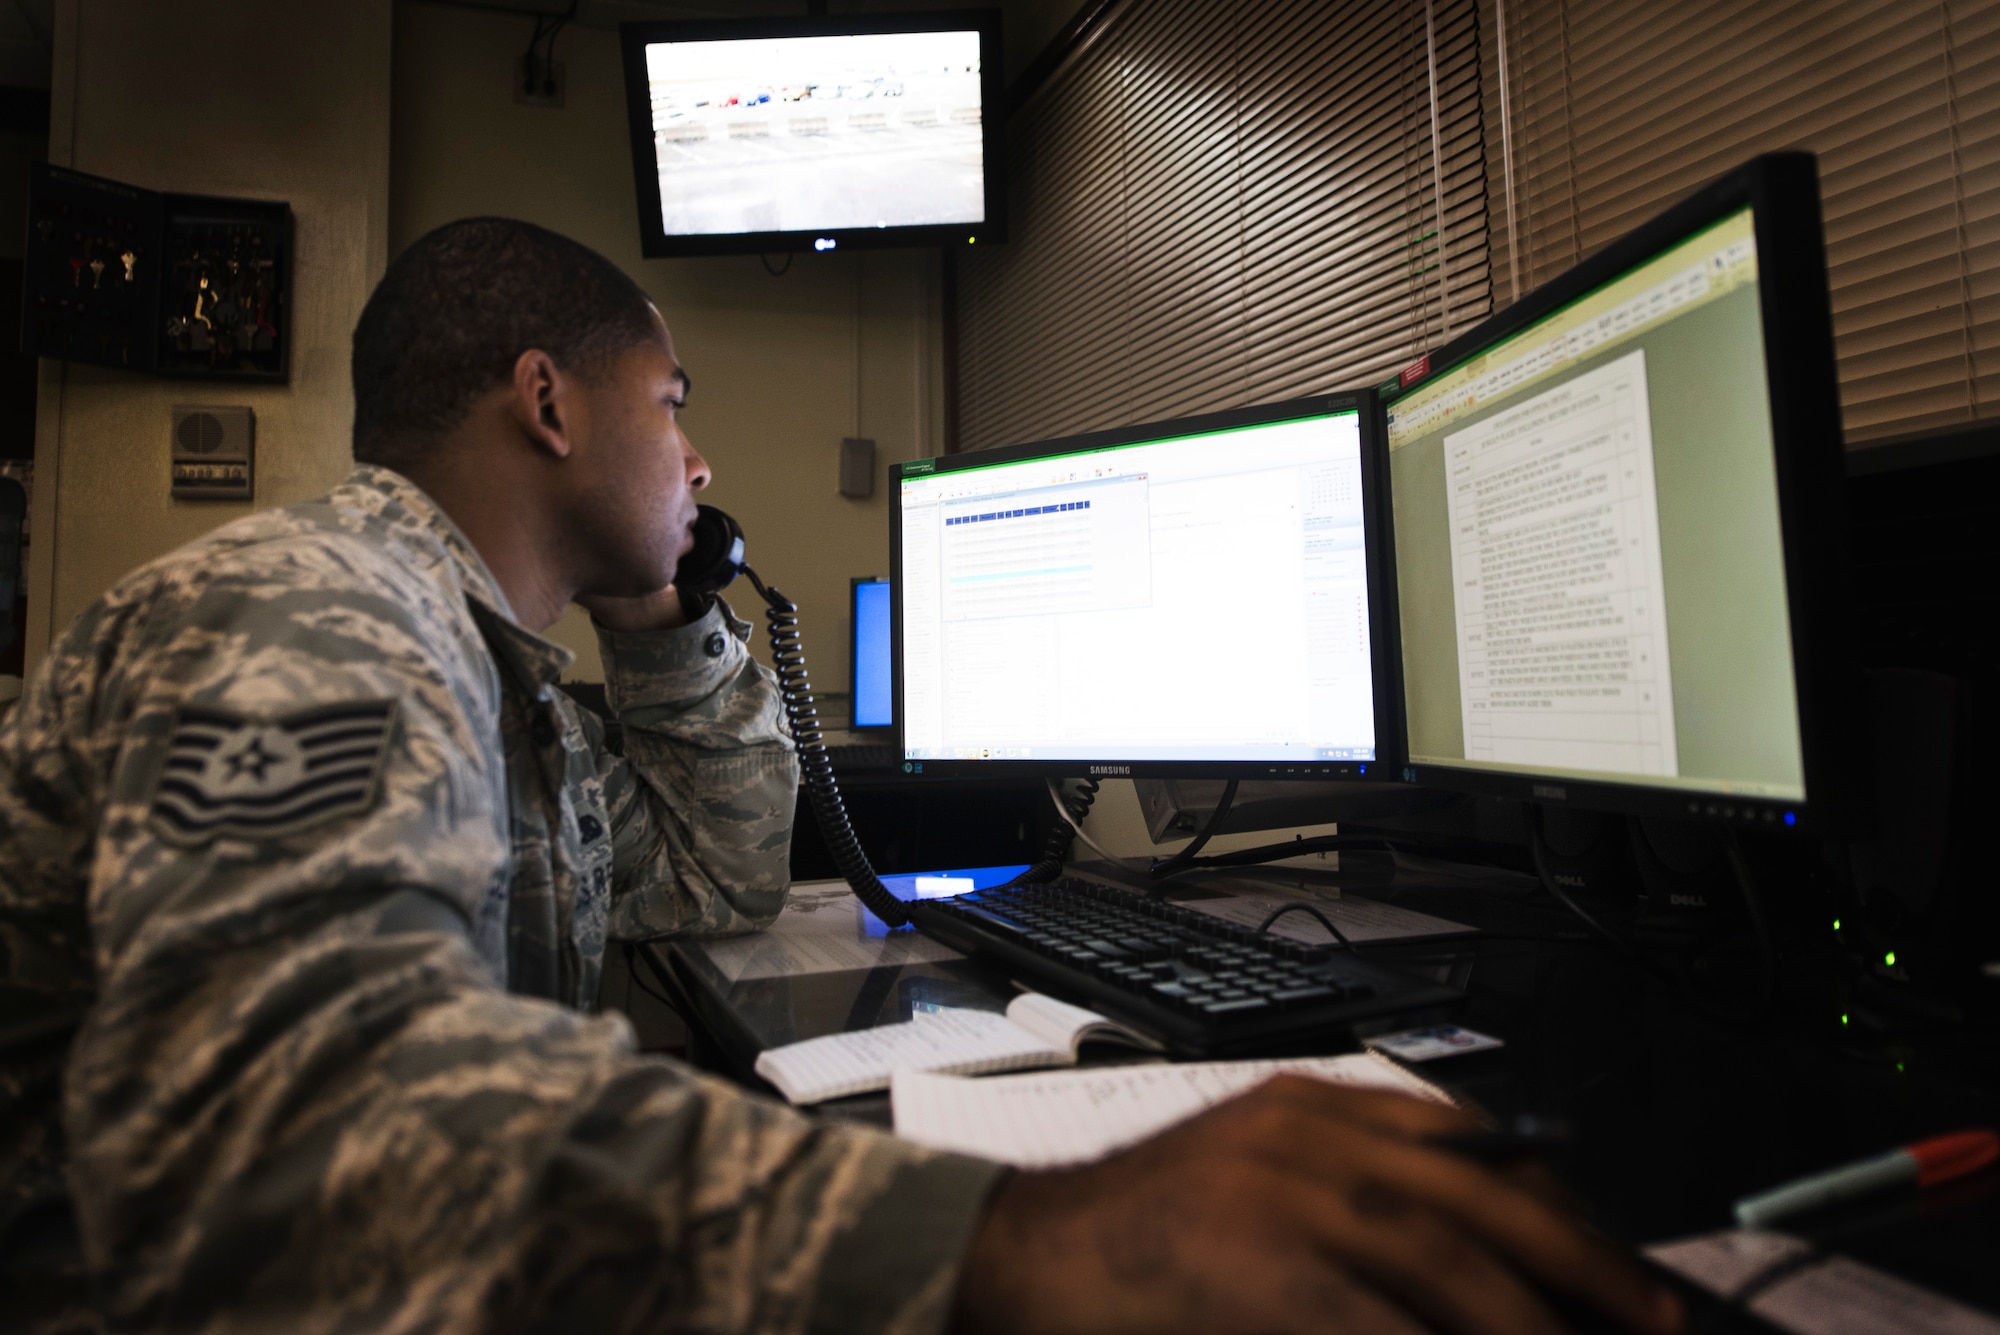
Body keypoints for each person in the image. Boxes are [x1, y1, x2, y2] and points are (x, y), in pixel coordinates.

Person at [0, 218, 1683, 1335]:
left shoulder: (492, 672)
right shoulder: (309, 618)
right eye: (675, 403)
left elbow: (717, 878)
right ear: (548, 405)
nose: (703, 455)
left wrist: (667, 623)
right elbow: (289, 1149)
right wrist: (1006, 1243)